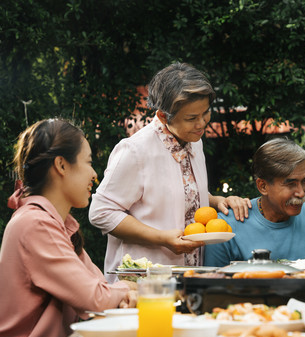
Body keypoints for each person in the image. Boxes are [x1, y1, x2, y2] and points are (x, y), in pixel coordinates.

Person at [89, 63, 251, 282]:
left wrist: (215, 200)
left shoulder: (194, 141)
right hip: (143, 283)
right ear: (163, 117)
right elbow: (101, 212)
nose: (202, 123)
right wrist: (162, 238)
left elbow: (176, 191)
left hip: (189, 277)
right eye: (191, 118)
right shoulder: (135, 151)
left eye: (205, 113)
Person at [0, 119, 137, 337]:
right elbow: (96, 299)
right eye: (88, 162)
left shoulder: (56, 223)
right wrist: (128, 287)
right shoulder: (35, 225)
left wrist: (120, 293)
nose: (94, 174)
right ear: (62, 165)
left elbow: (98, 287)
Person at [204, 138, 305, 271]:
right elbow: (211, 286)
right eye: (290, 184)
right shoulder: (225, 227)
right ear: (263, 186)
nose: (301, 192)